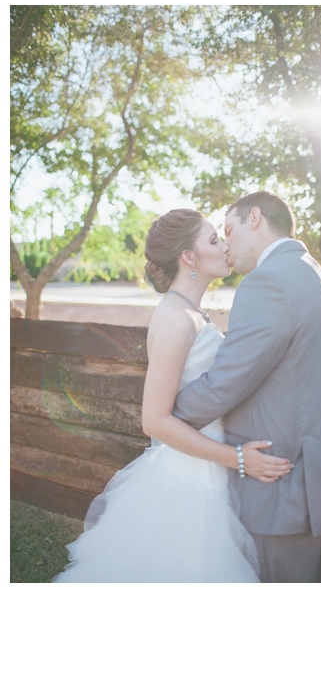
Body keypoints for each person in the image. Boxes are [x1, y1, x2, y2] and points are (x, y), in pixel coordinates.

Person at [55, 209, 291, 582]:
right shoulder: (174, 318)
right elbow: (154, 420)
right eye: (214, 239)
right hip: (189, 483)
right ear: (189, 257)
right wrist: (238, 459)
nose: (225, 245)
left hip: (209, 473)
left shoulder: (193, 313)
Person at [173, 191, 321, 583]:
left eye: (229, 231)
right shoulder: (314, 273)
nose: (226, 245)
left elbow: (225, 382)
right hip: (312, 479)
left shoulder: (268, 282)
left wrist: (165, 416)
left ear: (255, 219)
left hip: (277, 488)